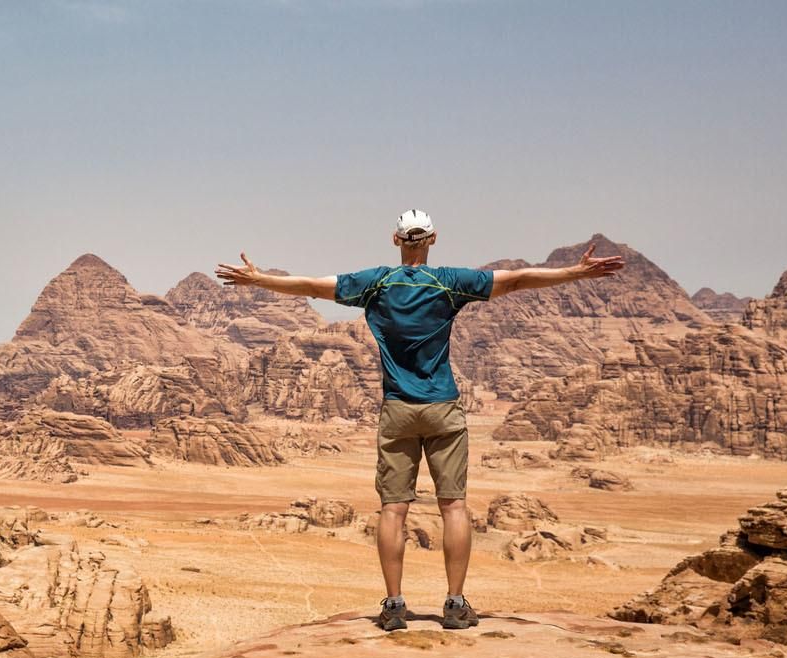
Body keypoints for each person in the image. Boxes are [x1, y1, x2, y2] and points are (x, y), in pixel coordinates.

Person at [214, 210, 625, 631]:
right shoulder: (449, 281)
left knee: (393, 510)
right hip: (443, 407)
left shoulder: (375, 284)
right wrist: (576, 273)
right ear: (433, 239)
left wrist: (259, 279)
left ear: (396, 240)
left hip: (397, 410)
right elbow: (518, 280)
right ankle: (454, 603)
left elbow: (313, 287)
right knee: (454, 507)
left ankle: (394, 606)